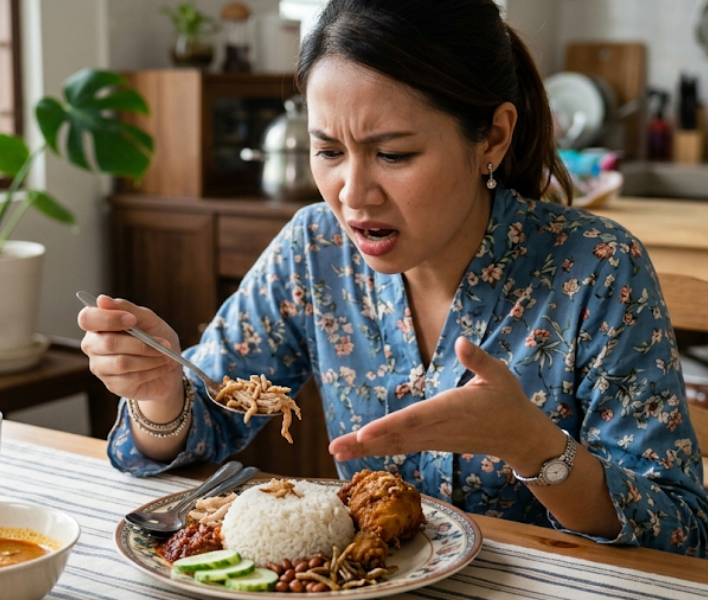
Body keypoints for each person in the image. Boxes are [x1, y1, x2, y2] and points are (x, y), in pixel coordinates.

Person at [79, 0, 708, 557]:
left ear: (492, 135)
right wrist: (161, 392)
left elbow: (680, 527)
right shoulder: (313, 247)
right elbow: (208, 424)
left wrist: (536, 448)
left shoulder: (598, 267)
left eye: (394, 154)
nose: (352, 194)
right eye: (328, 151)